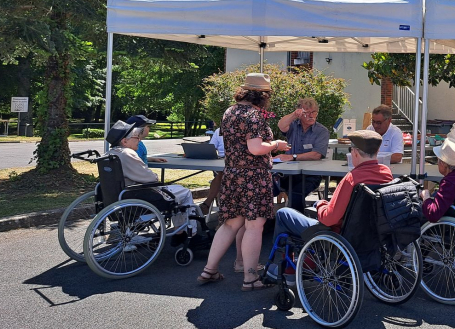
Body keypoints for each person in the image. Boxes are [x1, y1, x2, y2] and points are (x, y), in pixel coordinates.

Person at [197, 73, 289, 290]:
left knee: (229, 223)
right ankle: (250, 278)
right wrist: (276, 144)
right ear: (262, 96)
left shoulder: (230, 111)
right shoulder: (254, 115)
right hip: (253, 177)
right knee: (254, 226)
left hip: (232, 175)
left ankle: (209, 270)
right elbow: (255, 148)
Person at [269, 130, 393, 281]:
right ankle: (304, 263)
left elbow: (329, 219)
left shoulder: (352, 179)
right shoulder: (386, 173)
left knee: (284, 214)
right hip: (371, 231)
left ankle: (286, 269)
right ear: (378, 151)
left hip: (339, 234)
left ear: (354, 152)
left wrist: (320, 204)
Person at [105, 120, 200, 234]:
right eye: (136, 138)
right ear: (124, 141)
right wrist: (155, 176)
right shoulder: (127, 154)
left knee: (176, 190)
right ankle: (187, 233)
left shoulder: (110, 154)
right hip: (139, 197)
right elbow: (151, 178)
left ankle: (181, 230)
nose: (139, 140)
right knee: (185, 192)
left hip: (120, 196)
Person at [277, 97, 329, 212]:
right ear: (300, 114)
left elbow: (317, 155)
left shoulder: (322, 131)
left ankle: (297, 224)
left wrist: (292, 157)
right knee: (266, 186)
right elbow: (281, 125)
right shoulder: (293, 125)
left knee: (296, 193)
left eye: (314, 112)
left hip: (310, 175)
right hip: (289, 173)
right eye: (307, 112)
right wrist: (293, 115)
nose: (311, 115)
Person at [420, 138, 455, 222]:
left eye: (438, 160)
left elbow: (433, 214)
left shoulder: (449, 182)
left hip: (449, 222)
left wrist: (426, 197)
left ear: (443, 163)